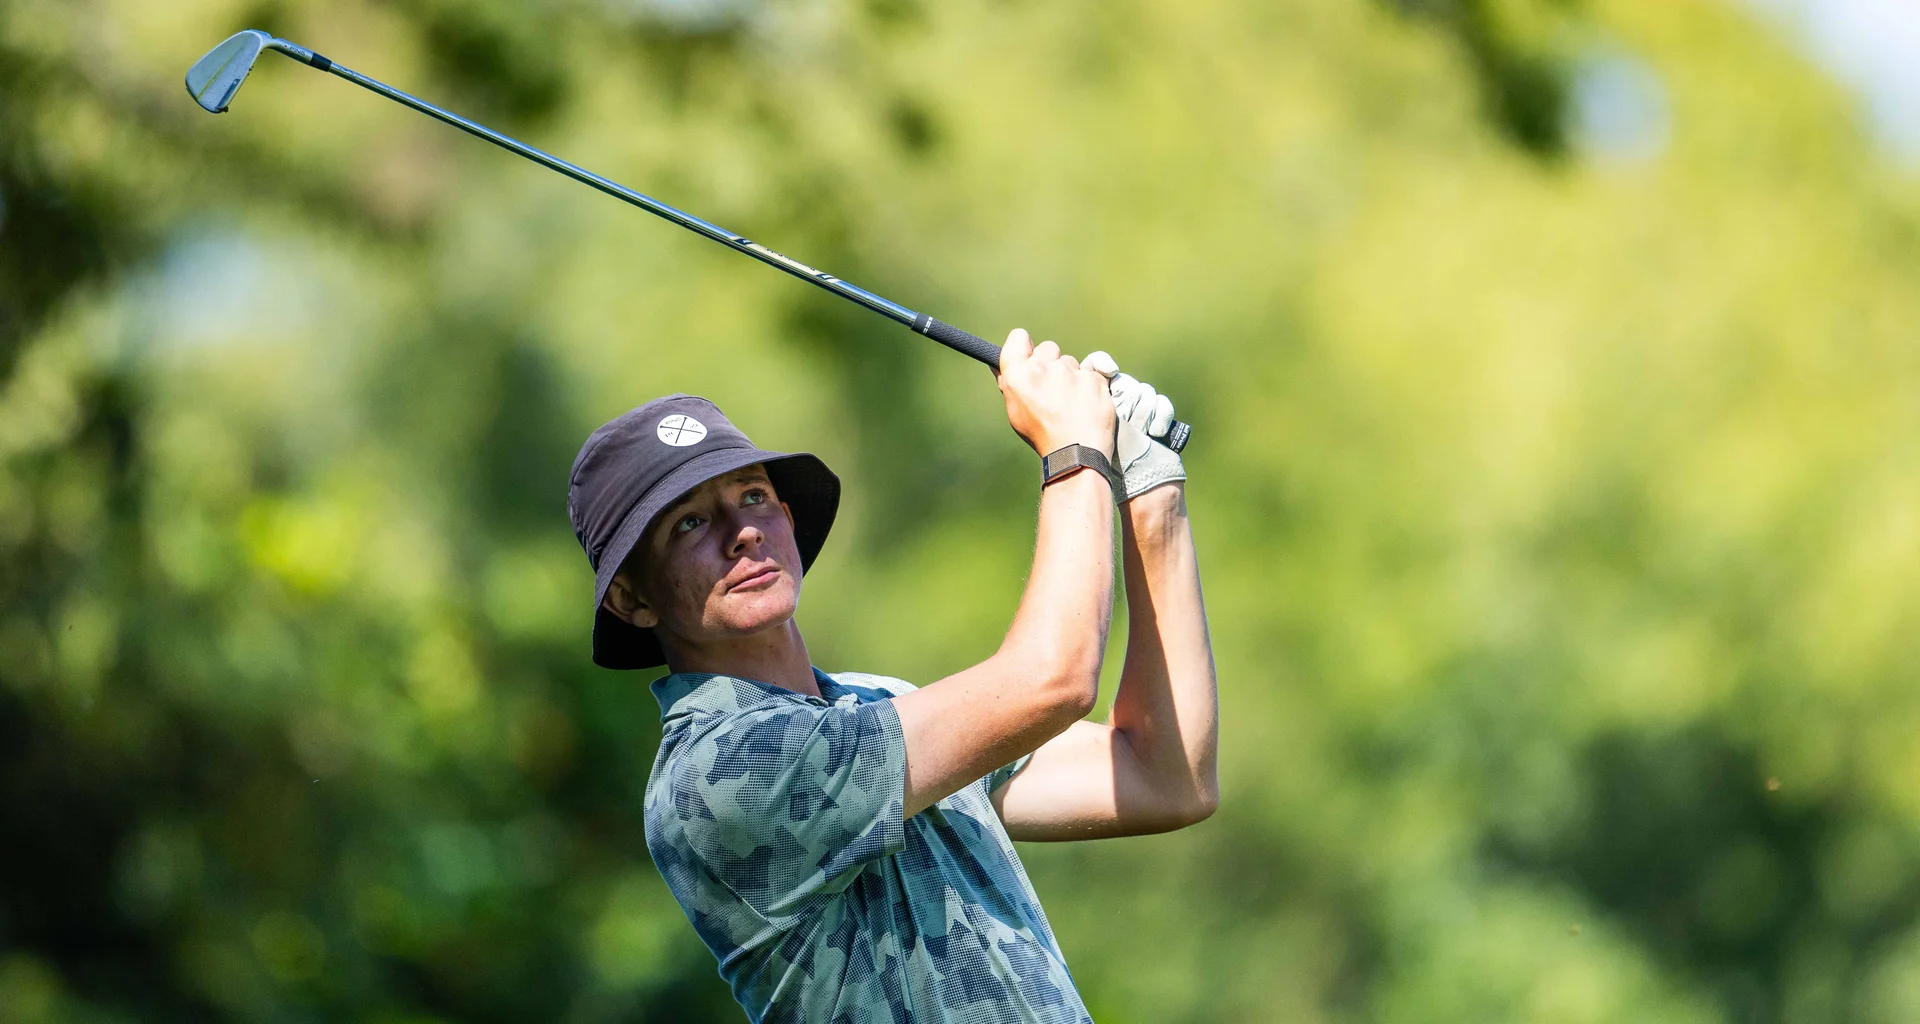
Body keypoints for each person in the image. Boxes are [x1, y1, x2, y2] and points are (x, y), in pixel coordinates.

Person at [566, 329, 1218, 1023]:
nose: (742, 531)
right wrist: (1076, 455)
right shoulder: (714, 774)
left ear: (786, 519)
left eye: (752, 497)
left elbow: (1163, 776)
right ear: (632, 599)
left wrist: (1151, 492)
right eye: (689, 523)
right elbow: (1052, 681)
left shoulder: (879, 705)